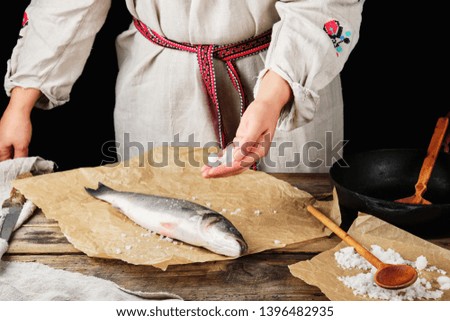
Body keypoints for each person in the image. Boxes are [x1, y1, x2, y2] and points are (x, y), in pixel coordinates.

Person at [0, 0, 366, 178]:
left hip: (286, 74)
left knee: (299, 226)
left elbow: (322, 4)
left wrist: (271, 99)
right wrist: (21, 100)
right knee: (168, 224)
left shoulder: (282, 88)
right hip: (162, 84)